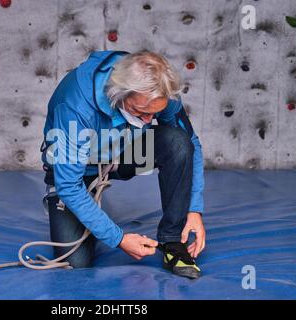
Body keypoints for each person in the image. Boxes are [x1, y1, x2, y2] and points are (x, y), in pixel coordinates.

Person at [41, 50, 205, 278]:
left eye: (154, 114)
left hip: (122, 154)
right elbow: (68, 184)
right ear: (119, 95)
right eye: (140, 112)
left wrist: (193, 208)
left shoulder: (159, 88)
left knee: (178, 142)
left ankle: (172, 240)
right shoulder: (74, 106)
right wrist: (119, 239)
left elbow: (192, 143)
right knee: (75, 265)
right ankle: (86, 208)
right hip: (77, 169)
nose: (149, 120)